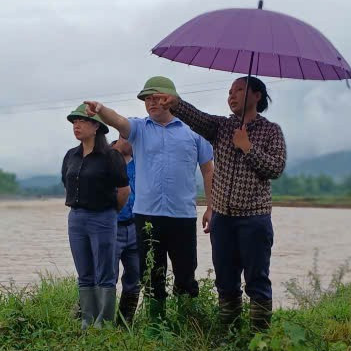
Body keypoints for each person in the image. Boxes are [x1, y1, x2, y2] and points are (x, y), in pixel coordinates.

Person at [83, 77, 214, 320]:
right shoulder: (139, 129)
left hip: (182, 215)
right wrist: (100, 110)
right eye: (146, 99)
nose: (150, 103)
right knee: (152, 274)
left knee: (185, 274)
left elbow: (208, 169)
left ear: (170, 99)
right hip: (147, 216)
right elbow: (119, 120)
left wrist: (211, 207)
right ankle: (156, 325)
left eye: (155, 98)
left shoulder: (194, 133)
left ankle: (187, 323)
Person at [167, 76, 286, 331]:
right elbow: (197, 117)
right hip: (222, 217)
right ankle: (228, 335)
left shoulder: (271, 130)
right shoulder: (221, 127)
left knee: (257, 278)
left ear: (257, 95)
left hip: (255, 218)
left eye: (239, 90)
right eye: (230, 92)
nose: (231, 96)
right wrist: (175, 103)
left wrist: (247, 147)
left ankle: (259, 338)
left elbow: (276, 168)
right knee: (225, 279)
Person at [61, 105, 129, 327]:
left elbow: (123, 191)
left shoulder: (110, 156)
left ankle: (104, 321)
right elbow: (67, 183)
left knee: (105, 271)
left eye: (81, 121)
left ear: (96, 125)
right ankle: (87, 319)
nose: (76, 125)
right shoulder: (71, 155)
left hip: (103, 217)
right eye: (74, 122)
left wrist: (110, 213)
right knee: (84, 270)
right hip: (77, 218)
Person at [109, 138, 142, 325]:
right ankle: (98, 322)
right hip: (111, 226)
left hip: (136, 226)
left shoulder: (141, 162)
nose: (130, 141)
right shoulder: (106, 159)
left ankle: (124, 323)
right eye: (126, 136)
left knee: (135, 276)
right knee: (106, 276)